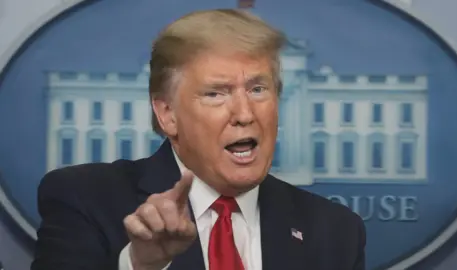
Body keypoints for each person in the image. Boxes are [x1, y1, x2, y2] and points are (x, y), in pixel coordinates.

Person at [31, 9, 366, 270]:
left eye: (258, 89)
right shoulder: (85, 200)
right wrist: (141, 265)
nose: (244, 113)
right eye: (215, 93)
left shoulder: (335, 232)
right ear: (168, 115)